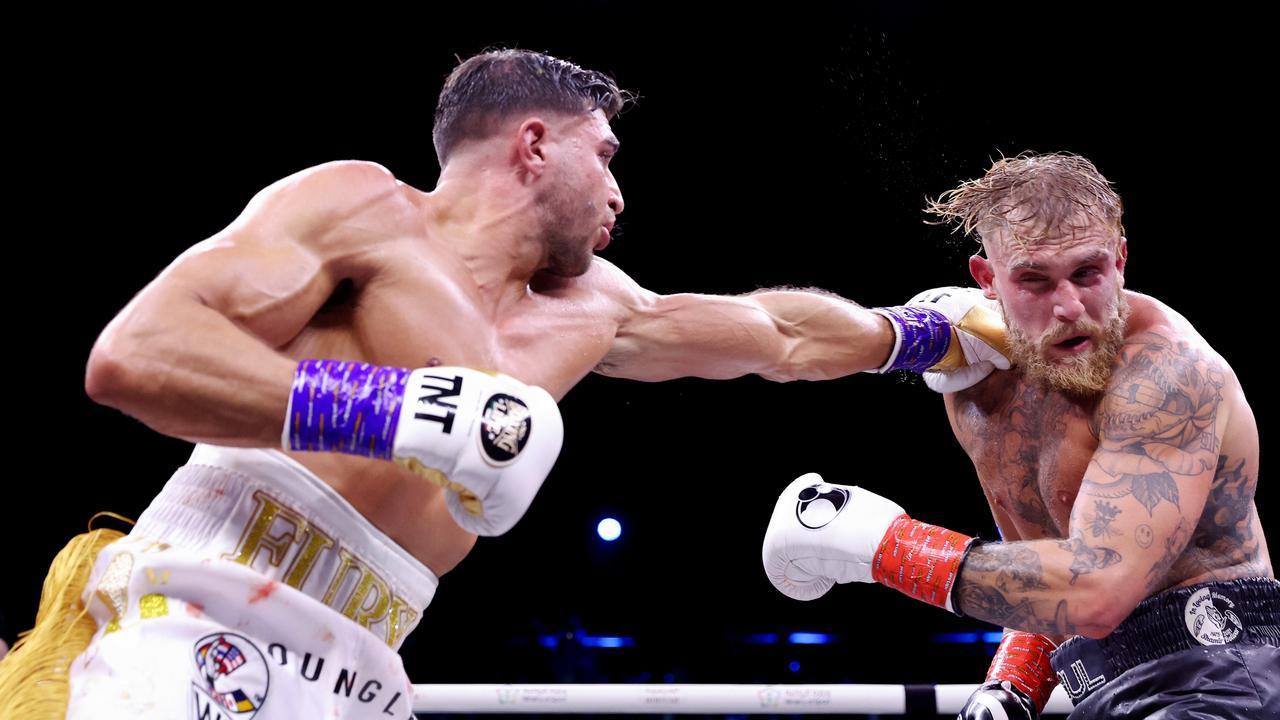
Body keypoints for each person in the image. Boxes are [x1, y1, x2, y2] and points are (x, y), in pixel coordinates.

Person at [0, 49, 1002, 720]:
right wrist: (390, 411)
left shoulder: (597, 306)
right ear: (532, 143)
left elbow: (774, 334)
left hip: (363, 662)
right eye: (604, 155)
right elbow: (138, 356)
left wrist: (922, 334)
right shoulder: (363, 210)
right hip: (199, 612)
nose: (620, 190)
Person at [762, 153, 1277, 718]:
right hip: (1103, 692)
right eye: (1034, 280)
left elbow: (1096, 590)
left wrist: (883, 547)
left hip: (1214, 683)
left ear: (1122, 259)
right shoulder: (983, 392)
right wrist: (1012, 684)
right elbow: (1046, 563)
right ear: (987, 280)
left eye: (1088, 272)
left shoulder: (1165, 375)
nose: (1069, 306)